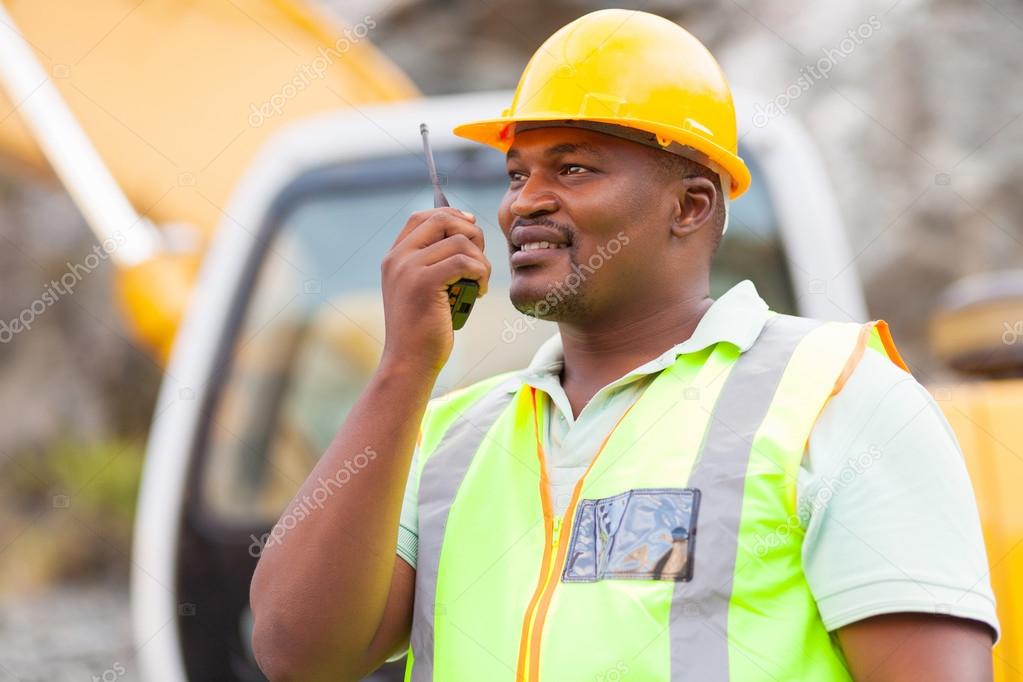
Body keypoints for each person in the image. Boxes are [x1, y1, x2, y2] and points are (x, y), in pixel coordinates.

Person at [250, 9, 999, 681]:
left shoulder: (840, 400)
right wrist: (404, 367)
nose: (523, 201)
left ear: (689, 205)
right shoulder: (450, 436)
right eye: (517, 173)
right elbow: (297, 654)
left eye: (572, 167)